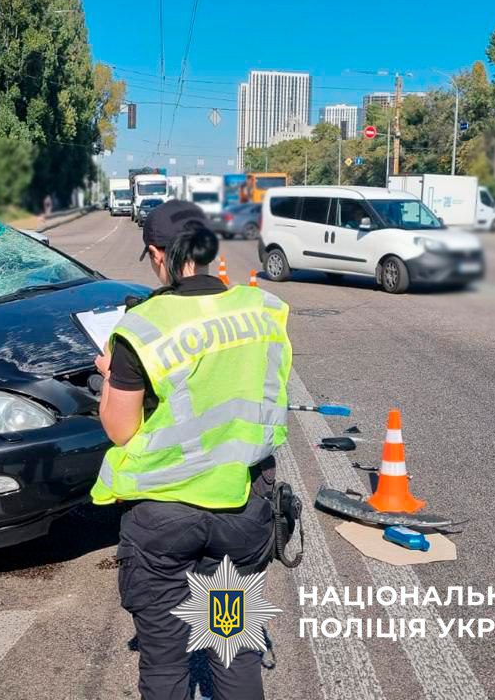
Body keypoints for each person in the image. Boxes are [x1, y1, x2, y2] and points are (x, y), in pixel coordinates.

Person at [90, 199, 293, 700]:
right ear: (206, 250)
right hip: (241, 508)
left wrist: (111, 376)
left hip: (165, 522)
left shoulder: (141, 327)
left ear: (157, 254)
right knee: (231, 647)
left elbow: (120, 429)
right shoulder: (262, 309)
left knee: (164, 659)